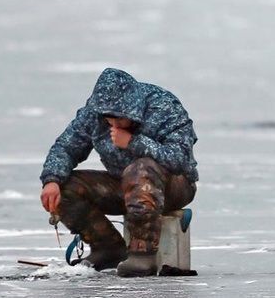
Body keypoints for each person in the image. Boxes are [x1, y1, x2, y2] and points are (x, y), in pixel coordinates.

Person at [40, 68, 199, 277]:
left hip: (174, 185)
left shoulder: (164, 107)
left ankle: (143, 254)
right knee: (66, 188)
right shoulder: (94, 114)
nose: (113, 124)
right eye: (108, 118)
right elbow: (66, 147)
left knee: (140, 169)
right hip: (124, 185)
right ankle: (107, 248)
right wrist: (51, 180)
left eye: (119, 119)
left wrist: (133, 142)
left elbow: (180, 159)